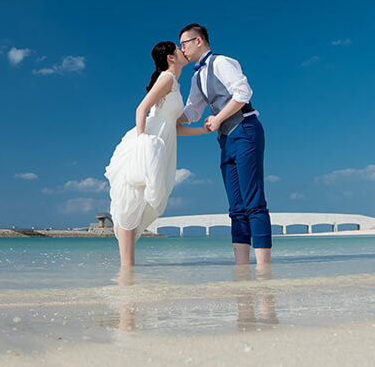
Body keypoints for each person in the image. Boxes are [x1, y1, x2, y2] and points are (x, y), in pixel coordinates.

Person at [104, 41, 209, 266]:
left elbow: (174, 126)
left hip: (164, 143)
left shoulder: (174, 83)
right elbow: (141, 109)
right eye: (178, 48)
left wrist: (204, 130)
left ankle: (128, 267)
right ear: (171, 57)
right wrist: (143, 143)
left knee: (142, 202)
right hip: (150, 143)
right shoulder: (167, 78)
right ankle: (126, 265)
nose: (183, 50)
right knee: (131, 199)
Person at [177, 24, 272, 267]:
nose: (182, 50)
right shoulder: (196, 76)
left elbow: (243, 92)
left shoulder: (221, 62)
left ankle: (263, 270)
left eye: (184, 44)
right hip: (225, 139)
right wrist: (166, 120)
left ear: (199, 41)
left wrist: (218, 118)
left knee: (253, 202)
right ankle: (241, 269)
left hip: (245, 129)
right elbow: (193, 111)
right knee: (236, 207)